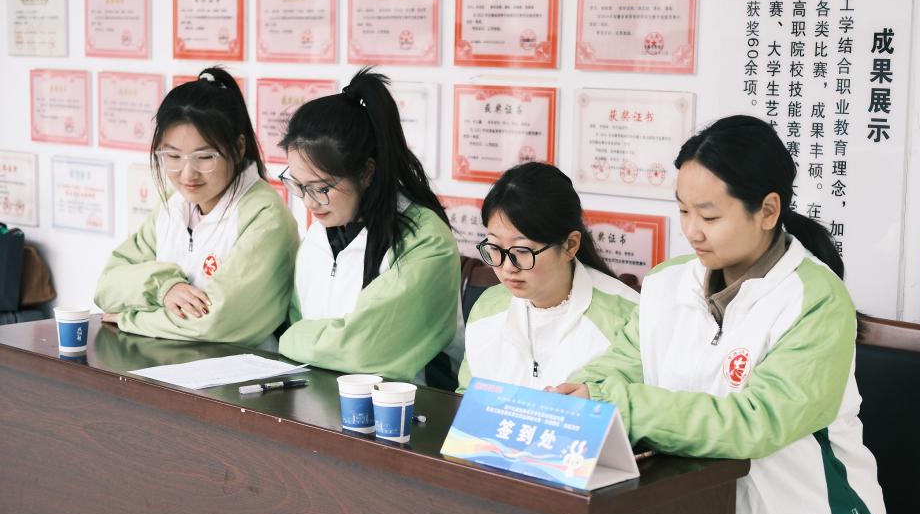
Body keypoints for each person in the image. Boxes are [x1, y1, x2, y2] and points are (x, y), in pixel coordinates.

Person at [551, 115, 888, 514]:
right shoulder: (667, 284)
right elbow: (616, 367)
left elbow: (756, 422)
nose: (692, 230)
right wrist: (585, 393)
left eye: (709, 215)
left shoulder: (816, 300)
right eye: (684, 211)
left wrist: (621, 406)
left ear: (768, 211)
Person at [277, 68, 460, 385]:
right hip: (321, 395)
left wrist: (290, 338)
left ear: (366, 173)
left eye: (321, 188)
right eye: (298, 185)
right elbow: (300, 319)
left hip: (406, 405)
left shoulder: (424, 239)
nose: (308, 202)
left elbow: (362, 350)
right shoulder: (322, 231)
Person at [95, 68, 299, 349]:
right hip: (165, 362)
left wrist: (131, 318)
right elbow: (107, 287)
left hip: (241, 370)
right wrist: (164, 287)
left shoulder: (265, 217)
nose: (187, 174)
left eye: (204, 157)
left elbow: (216, 322)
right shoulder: (172, 206)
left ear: (239, 148)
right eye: (173, 156)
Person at [457, 162, 639, 393]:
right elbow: (466, 399)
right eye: (494, 247)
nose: (507, 267)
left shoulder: (627, 319)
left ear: (570, 245)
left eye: (522, 251)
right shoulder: (487, 308)